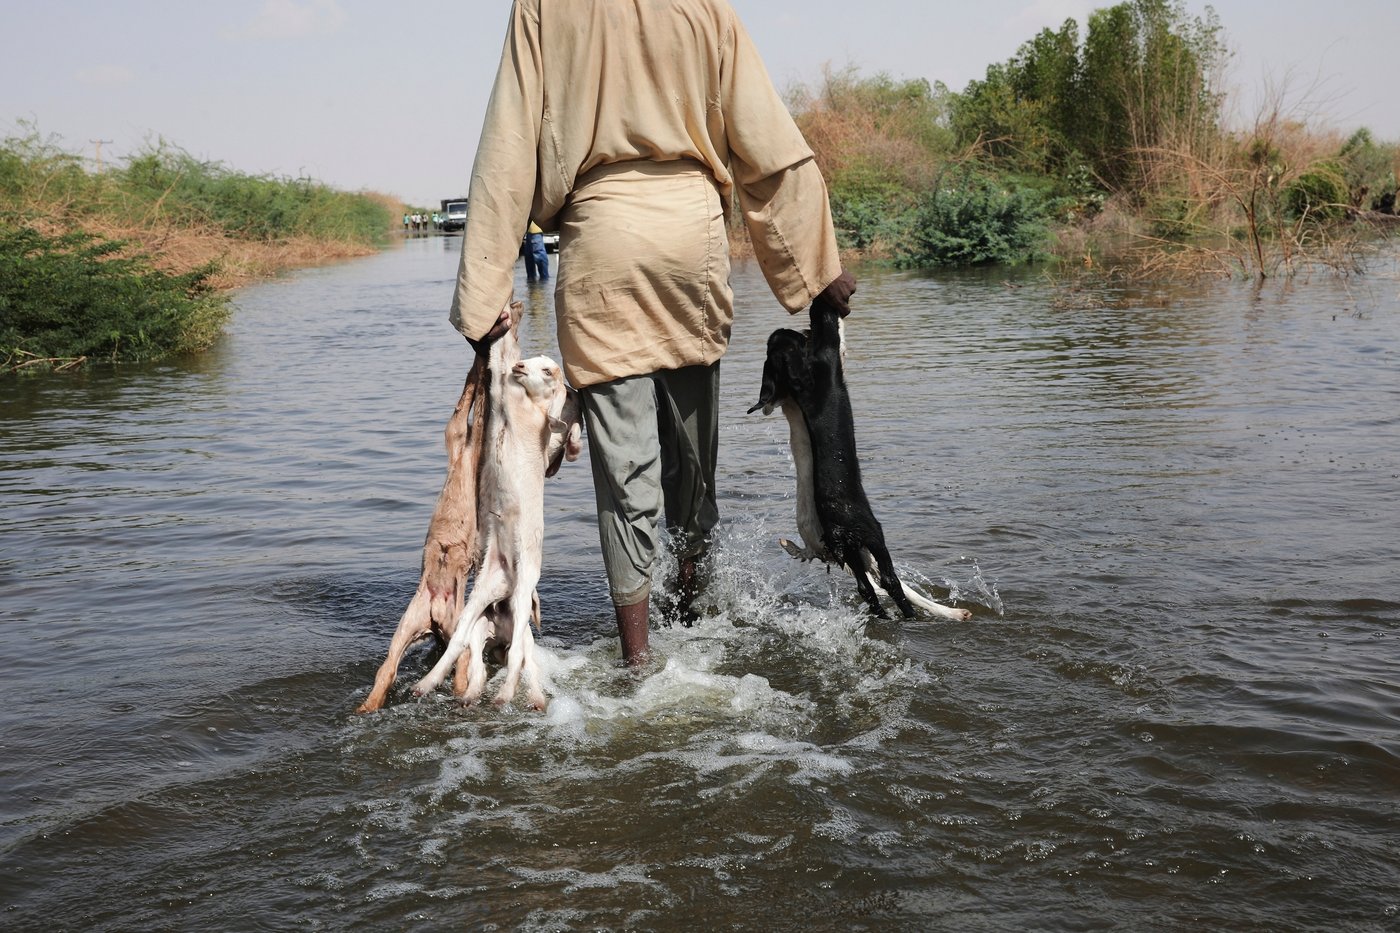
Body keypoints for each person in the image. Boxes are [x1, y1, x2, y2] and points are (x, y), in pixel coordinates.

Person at [450, 0, 855, 666]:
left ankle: (637, 658)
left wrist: (483, 298)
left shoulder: (544, 6)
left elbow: (509, 146)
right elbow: (766, 138)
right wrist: (819, 267)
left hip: (600, 239)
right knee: (692, 465)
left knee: (624, 472)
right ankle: (694, 615)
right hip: (689, 242)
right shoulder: (705, 6)